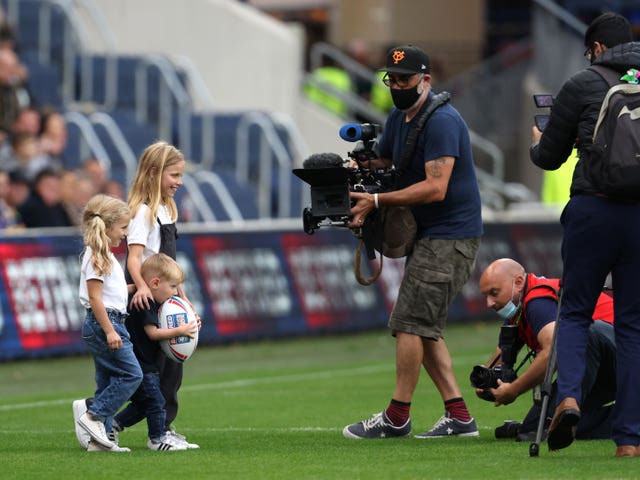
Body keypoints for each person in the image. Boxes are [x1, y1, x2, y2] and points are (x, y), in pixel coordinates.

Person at [343, 45, 483, 439]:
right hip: (432, 235)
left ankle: (397, 416)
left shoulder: (442, 121)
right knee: (423, 327)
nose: (397, 86)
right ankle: (459, 417)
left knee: (408, 324)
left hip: (450, 234)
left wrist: (376, 200)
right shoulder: (399, 117)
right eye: (392, 79)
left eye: (405, 79)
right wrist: (359, 167)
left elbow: (436, 187)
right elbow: (389, 161)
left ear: (426, 80)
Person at [529, 12, 640, 457]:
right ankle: (630, 441)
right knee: (633, 326)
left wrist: (540, 138)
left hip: (593, 210)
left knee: (574, 312)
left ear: (595, 48)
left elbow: (548, 159)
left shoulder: (582, 83)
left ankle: (569, 396)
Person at [73, 141, 200, 449]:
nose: (179, 182)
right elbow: (135, 256)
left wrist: (182, 297)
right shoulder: (143, 212)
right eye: (174, 175)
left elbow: (169, 264)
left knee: (165, 369)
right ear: (154, 173)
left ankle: (111, 420)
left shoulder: (167, 210)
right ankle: (151, 429)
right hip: (149, 297)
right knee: (149, 373)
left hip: (163, 293)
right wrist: (143, 287)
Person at [477, 258, 616, 442]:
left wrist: (514, 390)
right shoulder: (517, 313)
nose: (489, 303)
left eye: (494, 293)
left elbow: (553, 351)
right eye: (486, 295)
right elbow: (501, 357)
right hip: (599, 361)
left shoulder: (537, 301)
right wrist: (487, 379)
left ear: (518, 282)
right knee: (536, 428)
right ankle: (626, 416)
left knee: (585, 334)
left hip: (620, 353)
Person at [111, 253, 198, 451]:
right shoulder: (146, 303)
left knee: (144, 404)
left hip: (147, 363)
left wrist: (191, 322)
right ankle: (157, 439)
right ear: (156, 283)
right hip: (140, 363)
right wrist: (180, 331)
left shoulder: (161, 302)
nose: (176, 293)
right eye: (173, 287)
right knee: (157, 401)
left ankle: (113, 424)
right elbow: (153, 333)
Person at [77, 194, 143, 452]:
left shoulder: (106, 256)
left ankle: (99, 440)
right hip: (105, 323)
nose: (126, 234)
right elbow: (95, 298)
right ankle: (92, 416)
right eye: (123, 228)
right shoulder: (96, 255)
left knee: (106, 381)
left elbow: (111, 293)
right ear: (107, 226)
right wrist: (109, 331)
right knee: (131, 374)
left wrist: (137, 287)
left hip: (112, 321)